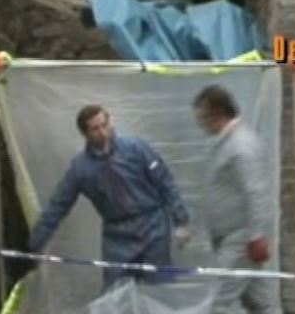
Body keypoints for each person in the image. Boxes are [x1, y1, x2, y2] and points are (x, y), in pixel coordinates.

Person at [28, 104, 192, 289]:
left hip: (152, 227)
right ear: (85, 134)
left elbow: (165, 182)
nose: (103, 133)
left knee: (159, 288)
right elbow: (57, 207)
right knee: (116, 293)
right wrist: (34, 245)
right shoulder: (81, 169)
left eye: (104, 125)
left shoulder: (136, 149)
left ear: (110, 121)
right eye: (95, 129)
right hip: (118, 236)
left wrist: (181, 221)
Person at [193, 85, 293, 314]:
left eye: (203, 117)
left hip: (241, 238)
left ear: (217, 112)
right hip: (234, 236)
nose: (201, 124)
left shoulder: (240, 146)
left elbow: (255, 193)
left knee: (215, 300)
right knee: (262, 305)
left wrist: (256, 236)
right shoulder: (227, 144)